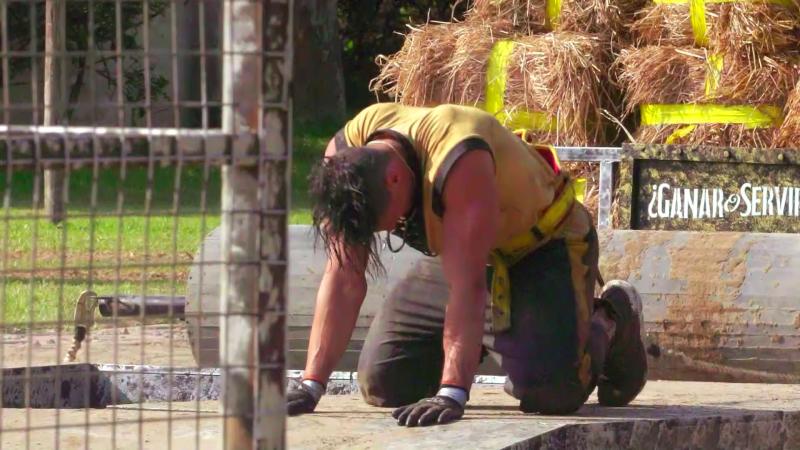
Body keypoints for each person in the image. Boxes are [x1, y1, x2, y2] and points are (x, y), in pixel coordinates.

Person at [286, 103, 647, 427]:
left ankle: (611, 317)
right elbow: (345, 275)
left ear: (395, 178)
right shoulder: (343, 161)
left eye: (379, 223)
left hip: (541, 247)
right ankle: (490, 340)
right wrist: (310, 385)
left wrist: (452, 392)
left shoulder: (460, 159)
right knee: (384, 381)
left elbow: (466, 287)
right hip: (465, 255)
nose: (379, 234)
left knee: (551, 393)